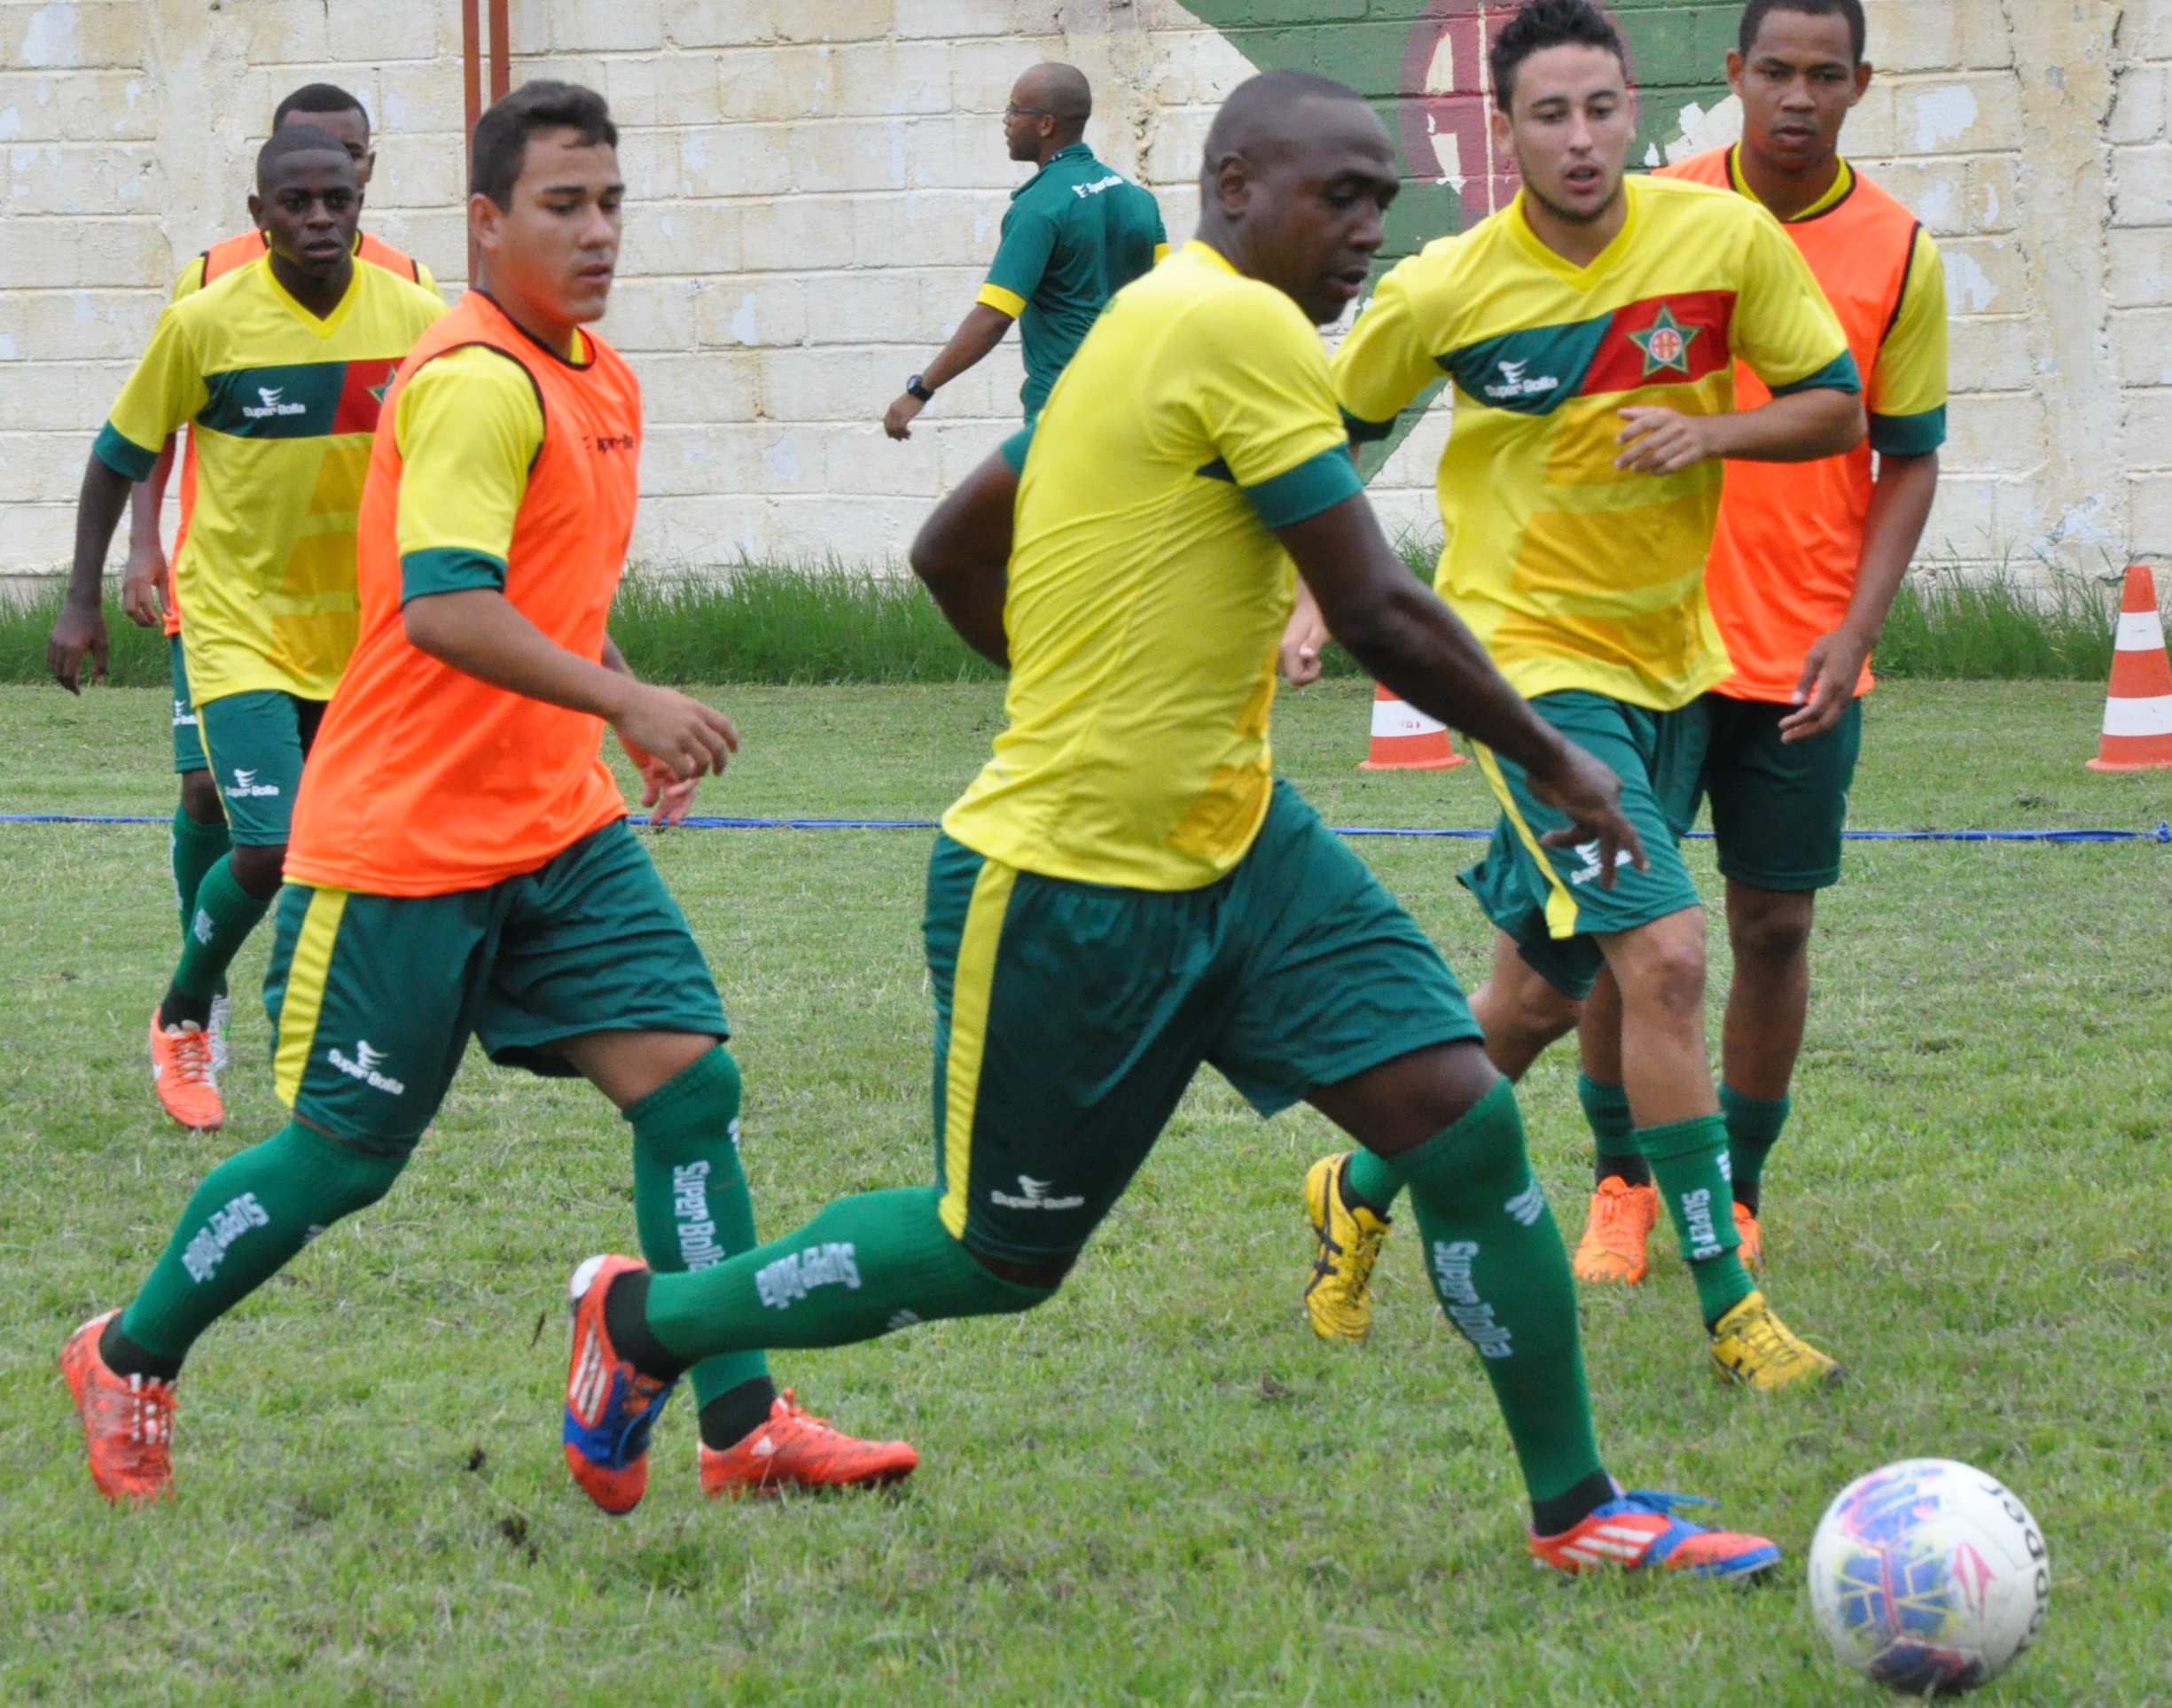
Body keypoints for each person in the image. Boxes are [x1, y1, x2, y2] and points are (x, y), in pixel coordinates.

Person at [557, 69, 1785, 1580]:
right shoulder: (1229, 322)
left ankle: (1578, 1507)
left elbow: (952, 546)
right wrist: (1558, 762)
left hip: (1247, 849)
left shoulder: (1145, 326)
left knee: (1465, 1124)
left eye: (1381, 202)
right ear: (1232, 188)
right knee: (992, 1259)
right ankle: (640, 1322)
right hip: (1073, 876)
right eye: (1335, 196)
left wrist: (1087, 664)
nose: (1365, 232)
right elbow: (1380, 610)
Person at [59, 82, 916, 1510]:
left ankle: (740, 1419)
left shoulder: (595, 372)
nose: (596, 234)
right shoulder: (470, 377)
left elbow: (549, 591)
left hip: (555, 827)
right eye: (562, 207)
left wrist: (619, 703)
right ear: (484, 221)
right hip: (403, 840)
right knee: (340, 1159)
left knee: (690, 1087)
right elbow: (448, 606)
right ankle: (128, 1353)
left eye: (611, 203)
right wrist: (631, 703)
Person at [1291, 0, 1862, 1391]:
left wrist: (1711, 426)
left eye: (1602, 107)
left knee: (1535, 1003)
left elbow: (1838, 405)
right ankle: (1731, 1306)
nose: (1583, 138)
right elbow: (1320, 441)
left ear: (1634, 106)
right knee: (1666, 958)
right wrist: (1310, 594)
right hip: (1526, 678)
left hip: (1672, 663)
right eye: (1548, 115)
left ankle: (1353, 1191)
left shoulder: (1723, 242)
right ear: (1504, 134)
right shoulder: (1444, 287)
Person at [1589, 0, 1942, 1272]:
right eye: (1775, 71)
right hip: (1642, 640)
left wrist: (1856, 630)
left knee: (1771, 928)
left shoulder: (1896, 248)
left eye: (1824, 75)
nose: (1797, 95)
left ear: (1858, 84)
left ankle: (1734, 1188)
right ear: (1735, 73)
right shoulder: (1650, 213)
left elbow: (1908, 458)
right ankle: (1618, 1183)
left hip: (1800, 649)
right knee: (1620, 929)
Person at [48, 125, 448, 1135]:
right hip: (235, 623)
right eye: (296, 203)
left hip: (363, 633)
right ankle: (185, 1010)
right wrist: (83, 595)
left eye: (336, 200)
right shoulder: (205, 322)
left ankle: (308, 1016)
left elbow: (463, 455)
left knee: (357, 848)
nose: (319, 218)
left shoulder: (418, 318)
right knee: (269, 844)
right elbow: (116, 453)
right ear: (258, 215)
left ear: (362, 197)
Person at [882, 63, 1166, 438]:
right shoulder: (1139, 200)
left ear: (1046, 124)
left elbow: (994, 317)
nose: (1006, 121)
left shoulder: (1039, 209)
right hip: (1137, 414)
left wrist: (920, 390)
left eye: (1015, 110)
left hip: (1066, 417)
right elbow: (1167, 302)